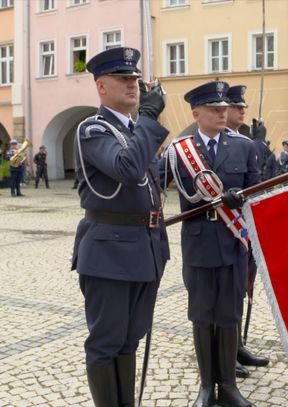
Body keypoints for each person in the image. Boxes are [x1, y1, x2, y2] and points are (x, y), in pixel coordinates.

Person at [71, 47, 170, 406]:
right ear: (101, 86)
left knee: (130, 339)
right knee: (106, 342)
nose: (133, 84)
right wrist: (148, 118)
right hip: (109, 251)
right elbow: (127, 169)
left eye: (135, 78)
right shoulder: (93, 129)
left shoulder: (133, 131)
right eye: (123, 78)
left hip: (144, 248)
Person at [165, 80, 258, 407]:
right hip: (199, 243)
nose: (222, 113)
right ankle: (207, 386)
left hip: (233, 244)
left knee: (229, 315)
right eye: (214, 109)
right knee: (202, 316)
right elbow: (152, 184)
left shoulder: (245, 147)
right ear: (196, 113)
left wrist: (243, 200)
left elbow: (258, 196)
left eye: (224, 108)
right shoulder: (180, 152)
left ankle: (229, 387)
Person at [225, 84, 270, 379]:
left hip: (244, 231)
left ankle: (237, 345)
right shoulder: (214, 144)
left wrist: (260, 144)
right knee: (224, 298)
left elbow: (263, 177)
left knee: (241, 291)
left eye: (243, 107)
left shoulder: (244, 142)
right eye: (236, 107)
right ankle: (225, 353)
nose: (242, 111)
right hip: (225, 230)